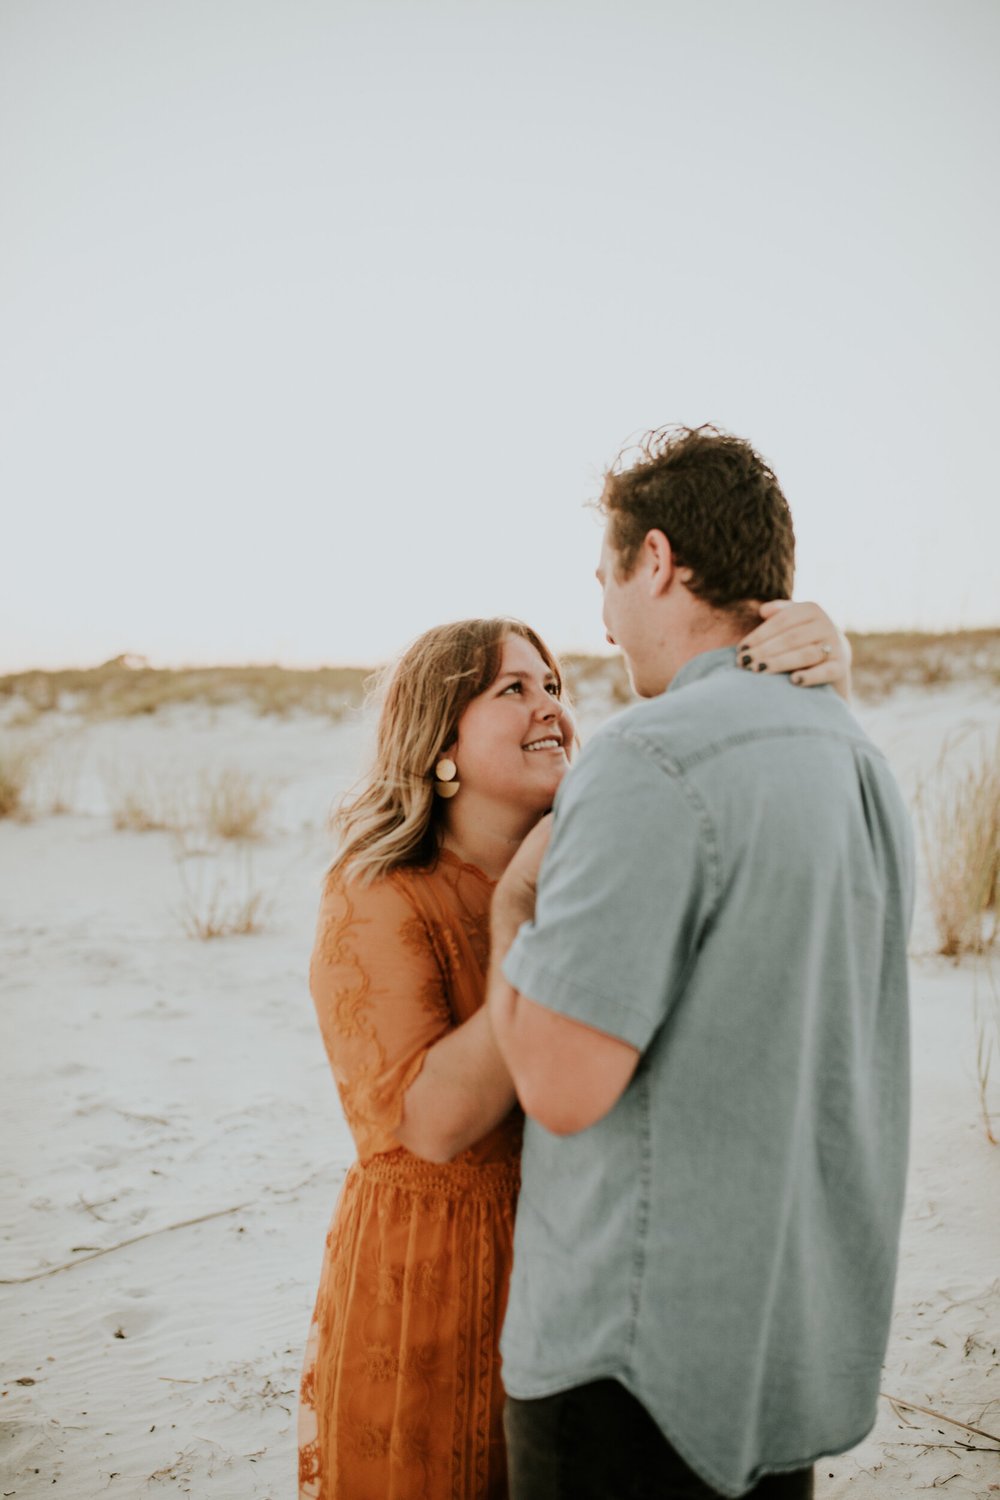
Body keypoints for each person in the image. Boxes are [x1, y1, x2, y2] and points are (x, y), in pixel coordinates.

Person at [299, 596, 853, 1499]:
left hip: (581, 1259)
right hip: (439, 1276)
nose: (551, 704)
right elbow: (435, 1121)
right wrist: (523, 906)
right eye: (512, 689)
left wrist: (817, 660)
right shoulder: (379, 893)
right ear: (440, 741)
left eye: (553, 683)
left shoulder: (597, 865)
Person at [487, 425, 915, 1500]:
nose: (598, 617)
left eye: (605, 577)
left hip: (630, 1362)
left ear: (659, 560)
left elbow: (558, 1083)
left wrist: (514, 907)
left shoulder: (647, 757)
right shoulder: (857, 757)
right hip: (783, 1340)